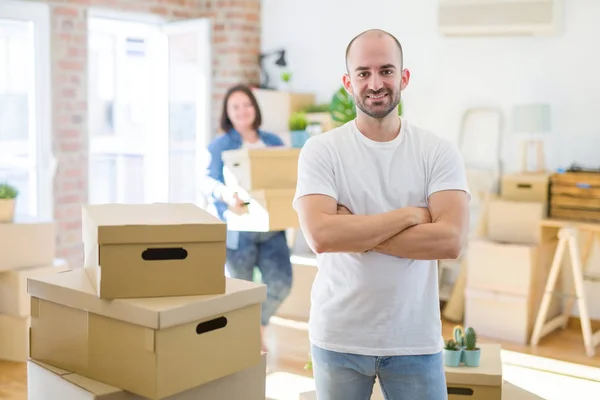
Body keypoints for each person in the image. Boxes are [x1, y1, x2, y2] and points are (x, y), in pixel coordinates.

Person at [292, 29, 471, 400]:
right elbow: (322, 237)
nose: (375, 83)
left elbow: (450, 241)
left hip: (414, 340)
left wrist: (353, 228)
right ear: (348, 82)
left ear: (403, 77)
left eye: (387, 71)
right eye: (363, 73)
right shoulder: (321, 151)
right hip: (338, 337)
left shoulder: (437, 152)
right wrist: (410, 215)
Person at [201, 84, 293, 352]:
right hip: (238, 230)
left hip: (272, 228)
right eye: (235, 106)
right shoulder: (220, 145)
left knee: (281, 282)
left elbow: (286, 174)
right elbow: (207, 180)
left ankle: (257, 327)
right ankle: (239, 343)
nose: (242, 111)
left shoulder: (273, 142)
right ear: (227, 113)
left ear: (255, 107)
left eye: (247, 104)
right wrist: (225, 193)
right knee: (239, 291)